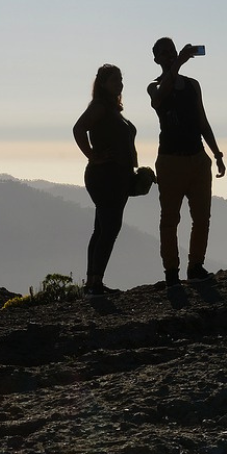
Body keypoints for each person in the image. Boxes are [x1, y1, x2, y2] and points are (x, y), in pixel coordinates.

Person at [147, 37, 225, 286]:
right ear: (156, 59)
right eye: (164, 53)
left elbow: (202, 121)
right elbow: (158, 99)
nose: (170, 55)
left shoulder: (193, 86)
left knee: (202, 218)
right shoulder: (154, 86)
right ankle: (171, 272)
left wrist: (217, 154)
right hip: (170, 160)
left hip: (197, 158)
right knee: (170, 219)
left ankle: (195, 267)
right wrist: (177, 65)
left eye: (172, 51)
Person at [73, 63, 138, 295]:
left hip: (117, 176)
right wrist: (93, 156)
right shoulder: (100, 106)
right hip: (105, 175)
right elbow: (78, 129)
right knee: (109, 228)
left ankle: (93, 282)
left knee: (102, 228)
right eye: (114, 79)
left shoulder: (112, 109)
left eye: (120, 79)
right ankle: (94, 284)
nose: (119, 83)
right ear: (102, 83)